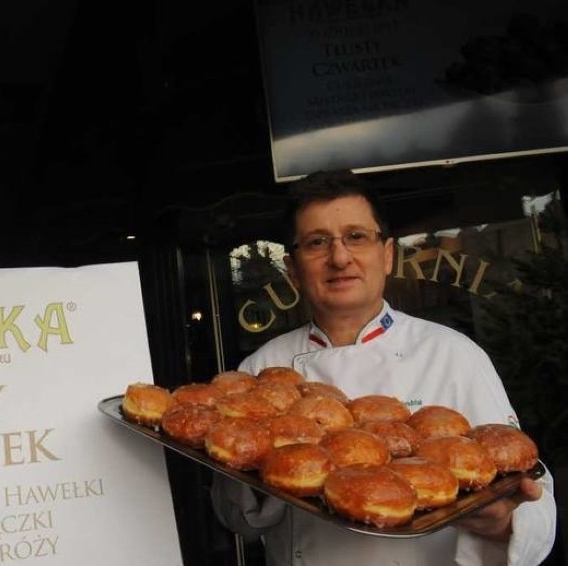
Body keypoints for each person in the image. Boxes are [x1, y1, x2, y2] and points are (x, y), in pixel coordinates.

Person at [210, 170, 557, 565]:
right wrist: (262, 468)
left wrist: (501, 524)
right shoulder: (260, 370)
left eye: (356, 236)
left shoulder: (454, 355)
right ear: (292, 268)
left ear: (387, 254)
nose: (339, 257)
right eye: (317, 242)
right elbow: (236, 519)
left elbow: (536, 501)